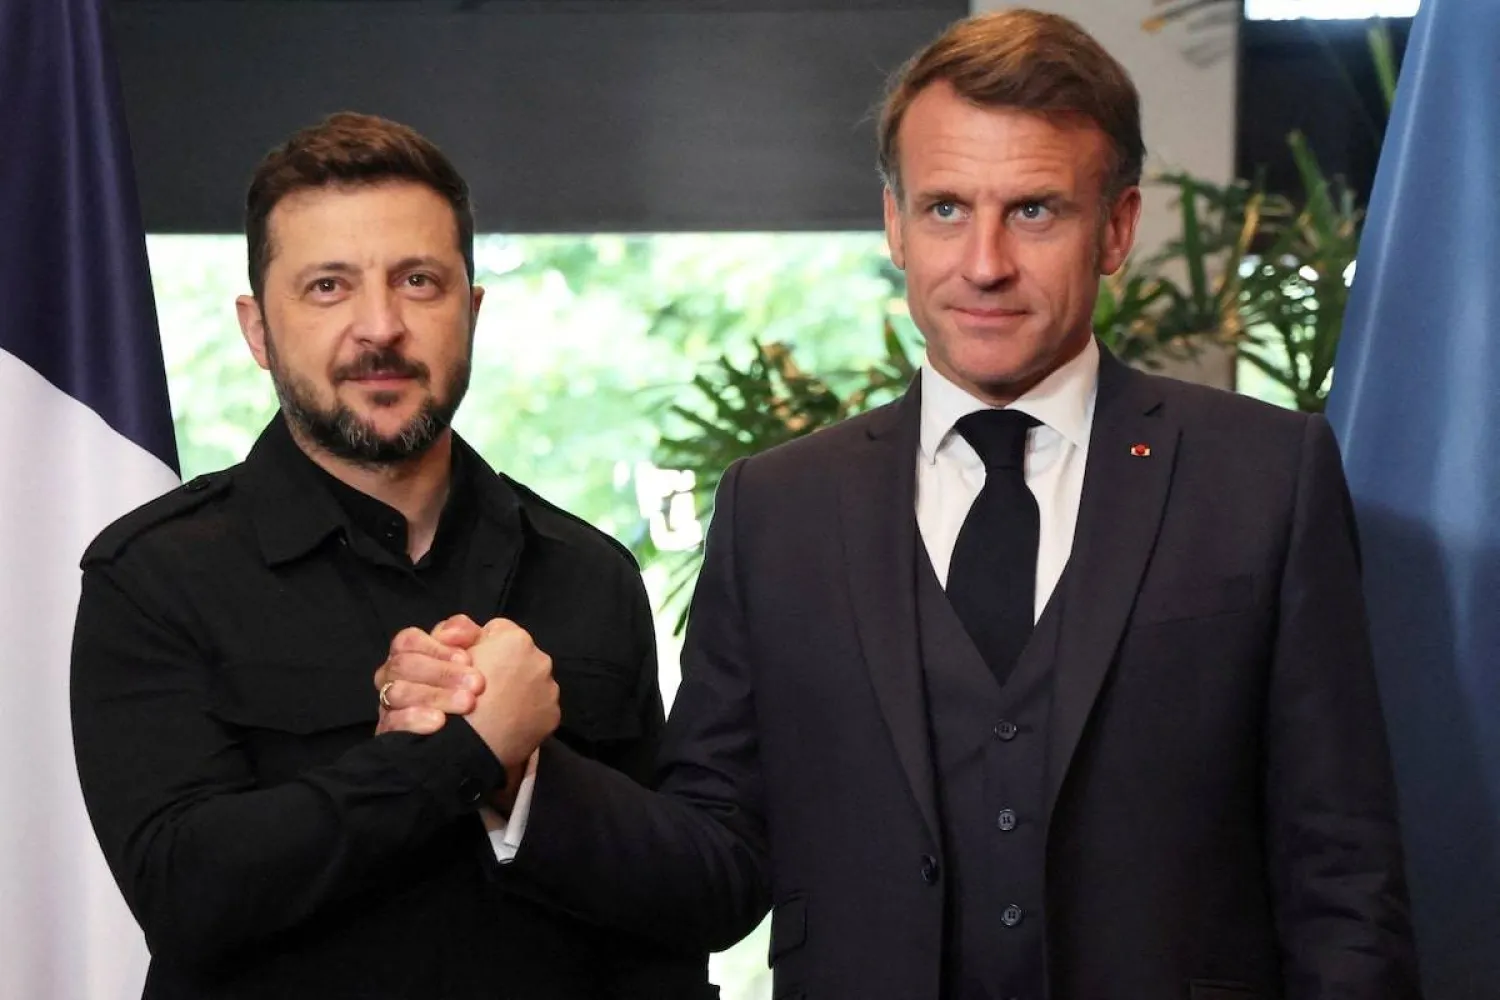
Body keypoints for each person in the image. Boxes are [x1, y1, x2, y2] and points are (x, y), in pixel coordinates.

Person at [381, 10, 1423, 999]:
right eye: (945, 209)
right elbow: (718, 855)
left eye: (1035, 210)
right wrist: (514, 773)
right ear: (894, 223)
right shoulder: (779, 507)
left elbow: (1340, 873)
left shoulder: (1265, 474)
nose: (985, 264)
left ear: (1117, 228)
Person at [70, 112, 713, 1000]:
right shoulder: (151, 574)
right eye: (328, 286)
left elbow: (677, 911)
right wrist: (465, 755)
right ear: (258, 331)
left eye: (419, 281)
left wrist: (531, 777)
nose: (381, 327)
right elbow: (189, 895)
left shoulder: (588, 571)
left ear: (472, 312)